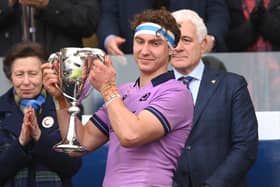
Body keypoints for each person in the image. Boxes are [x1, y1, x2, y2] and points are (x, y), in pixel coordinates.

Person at [42, 8, 193, 186]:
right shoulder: (122, 92)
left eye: (155, 43)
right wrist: (62, 100)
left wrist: (107, 88)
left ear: (171, 50)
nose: (144, 51)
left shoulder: (177, 92)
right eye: (139, 41)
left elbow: (131, 135)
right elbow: (81, 143)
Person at [170, 9, 258, 187]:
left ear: (203, 45)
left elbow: (245, 147)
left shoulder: (232, 86)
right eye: (173, 40)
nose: (178, 47)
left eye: (186, 40)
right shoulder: (155, 89)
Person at [0, 41, 82, 186]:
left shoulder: (65, 106)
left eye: (33, 74)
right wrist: (20, 144)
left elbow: (72, 166)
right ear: (9, 77)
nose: (26, 82)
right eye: (19, 74)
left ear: (45, 74)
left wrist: (39, 137)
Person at [96, 0, 229, 56]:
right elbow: (107, 13)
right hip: (133, 59)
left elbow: (218, 12)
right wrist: (110, 38)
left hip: (189, 58)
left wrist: (210, 38)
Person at [0, 0, 100, 56]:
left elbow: (88, 22)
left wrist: (47, 4)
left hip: (60, 68)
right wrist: (7, 3)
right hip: (6, 68)